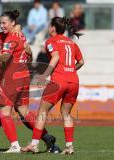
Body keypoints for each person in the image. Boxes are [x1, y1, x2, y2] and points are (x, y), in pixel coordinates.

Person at [0, 10, 60, 153]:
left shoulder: (11, 38)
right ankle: (47, 138)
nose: (0, 26)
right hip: (23, 77)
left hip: (12, 78)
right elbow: (27, 53)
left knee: (2, 112)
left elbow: (4, 57)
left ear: (12, 23)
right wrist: (19, 28)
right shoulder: (13, 35)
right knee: (24, 112)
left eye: (3, 23)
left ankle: (10, 145)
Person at [21, 17, 84, 155]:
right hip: (73, 81)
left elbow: (55, 57)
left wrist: (44, 75)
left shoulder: (51, 41)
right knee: (66, 114)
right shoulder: (72, 43)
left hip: (58, 81)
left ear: (53, 28)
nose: (49, 29)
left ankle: (34, 144)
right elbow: (81, 61)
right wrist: (70, 70)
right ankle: (69, 147)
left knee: (42, 112)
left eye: (50, 26)